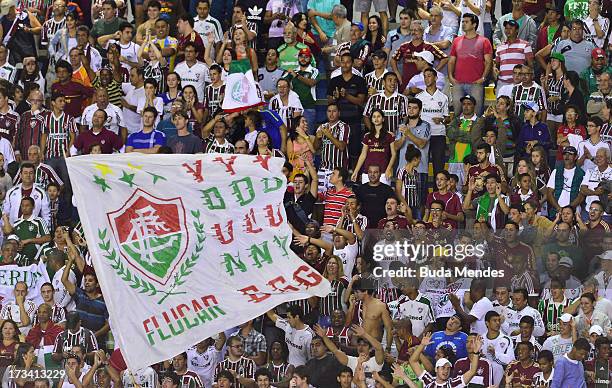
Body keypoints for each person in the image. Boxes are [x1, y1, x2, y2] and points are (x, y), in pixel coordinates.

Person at [448, 13, 492, 115]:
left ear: (474, 24)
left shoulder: (484, 41)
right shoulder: (456, 41)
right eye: (462, 22)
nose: (463, 24)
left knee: (477, 114)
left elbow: (489, 62)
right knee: (457, 114)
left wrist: (483, 78)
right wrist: (450, 76)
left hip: (476, 83)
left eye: (466, 22)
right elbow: (451, 61)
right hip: (458, 83)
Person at [410, 332, 483, 387]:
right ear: (436, 369)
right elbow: (412, 361)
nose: (446, 371)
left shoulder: (453, 384)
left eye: (448, 368)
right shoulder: (428, 381)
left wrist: (476, 353)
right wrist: (422, 345)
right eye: (443, 367)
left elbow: (472, 371)